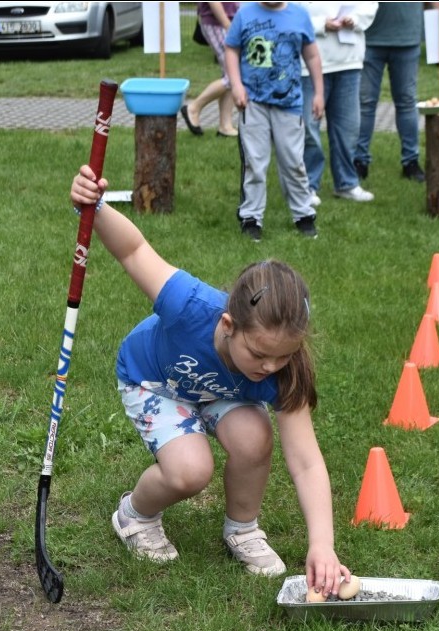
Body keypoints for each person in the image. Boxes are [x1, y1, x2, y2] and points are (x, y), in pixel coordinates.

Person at [70, 164, 352, 597]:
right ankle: (135, 514)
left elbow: (307, 461)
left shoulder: (285, 369)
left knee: (256, 438)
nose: (270, 367)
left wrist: (323, 545)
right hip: (155, 380)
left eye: (283, 356)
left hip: (218, 392)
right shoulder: (187, 305)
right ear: (228, 324)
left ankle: (242, 528)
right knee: (190, 471)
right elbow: (134, 251)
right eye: (259, 354)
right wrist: (95, 206)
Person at [225, 1, 325, 241]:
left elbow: (311, 55)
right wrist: (237, 85)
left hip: (289, 103)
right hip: (253, 103)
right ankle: (251, 218)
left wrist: (319, 93)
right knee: (255, 162)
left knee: (293, 161)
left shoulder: (299, 14)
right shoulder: (245, 13)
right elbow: (231, 49)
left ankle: (303, 214)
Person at [299, 1, 379, 205]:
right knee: (308, 126)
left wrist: (355, 20)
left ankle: (346, 183)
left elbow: (370, 5)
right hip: (309, 63)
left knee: (348, 128)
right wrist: (320, 24)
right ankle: (307, 186)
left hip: (349, 61)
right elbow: (289, 12)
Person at [353, 3, 427, 183]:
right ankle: (359, 161)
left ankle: (411, 162)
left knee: (407, 102)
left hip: (407, 37)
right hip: (370, 38)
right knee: (365, 103)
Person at [181, 2, 241, 138]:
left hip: (228, 21)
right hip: (217, 23)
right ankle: (194, 108)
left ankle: (225, 126)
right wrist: (227, 25)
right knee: (233, 76)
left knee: (230, 74)